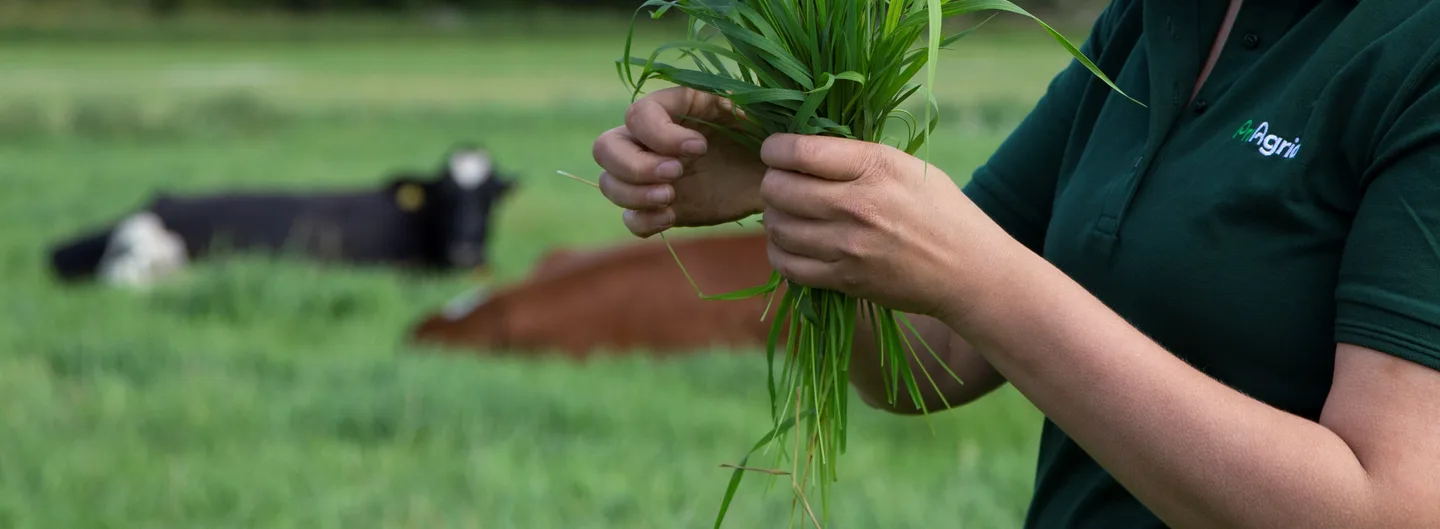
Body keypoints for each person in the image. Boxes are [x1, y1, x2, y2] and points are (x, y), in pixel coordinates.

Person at [590, 0, 1440, 527]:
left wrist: (981, 275)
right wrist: (793, 177)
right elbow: (928, 357)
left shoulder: (1416, 46)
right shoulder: (1158, 18)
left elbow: (1388, 506)